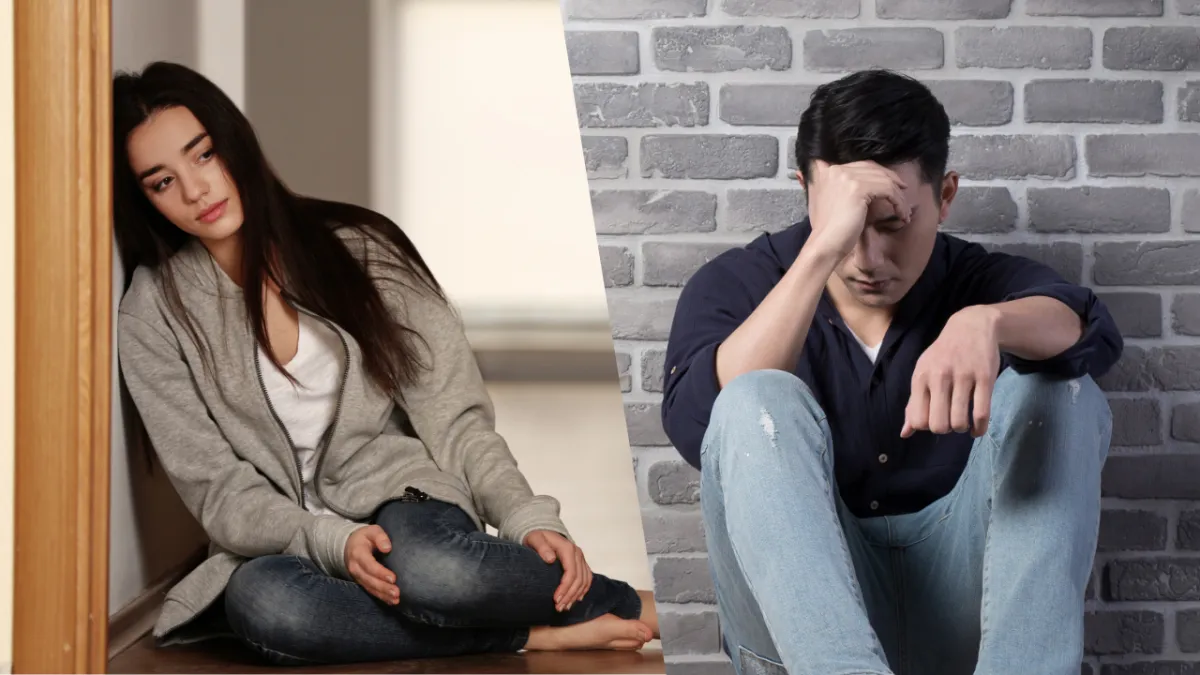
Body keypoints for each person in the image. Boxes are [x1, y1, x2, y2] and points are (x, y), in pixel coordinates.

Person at [113, 61, 658, 667]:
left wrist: (524, 514)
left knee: (437, 572)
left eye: (204, 155)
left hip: (404, 502)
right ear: (144, 199)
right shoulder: (151, 313)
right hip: (278, 542)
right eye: (161, 181)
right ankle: (523, 633)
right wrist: (327, 539)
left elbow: (454, 419)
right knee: (269, 611)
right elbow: (217, 488)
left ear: (234, 143)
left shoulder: (362, 247)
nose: (195, 191)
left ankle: (627, 603)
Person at [662, 69, 1123, 675]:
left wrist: (986, 323)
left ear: (945, 196)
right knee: (754, 400)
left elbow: (1092, 333)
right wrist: (821, 247)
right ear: (805, 191)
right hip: (800, 637)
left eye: (892, 224)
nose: (868, 260)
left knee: (1059, 388)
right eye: (850, 225)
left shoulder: (974, 280)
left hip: (965, 619)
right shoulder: (737, 282)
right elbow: (703, 427)